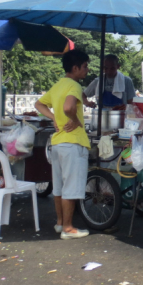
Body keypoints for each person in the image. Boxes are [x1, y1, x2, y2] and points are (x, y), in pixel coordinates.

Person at [34, 49, 92, 240]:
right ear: (75, 68)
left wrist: (54, 119)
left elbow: (39, 104)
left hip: (57, 143)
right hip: (73, 143)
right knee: (71, 188)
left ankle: (60, 223)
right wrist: (74, 119)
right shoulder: (73, 86)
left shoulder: (59, 85)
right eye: (84, 66)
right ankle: (68, 228)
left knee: (58, 187)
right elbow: (68, 107)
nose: (87, 69)